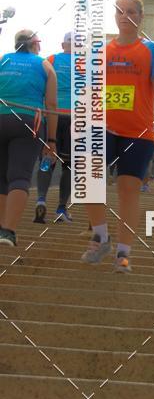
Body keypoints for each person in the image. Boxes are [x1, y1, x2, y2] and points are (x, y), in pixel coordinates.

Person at [81, 0, 154, 272]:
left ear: (140, 17)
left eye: (131, 11)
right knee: (89, 180)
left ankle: (123, 253)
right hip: (102, 127)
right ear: (115, 16)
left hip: (138, 132)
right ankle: (100, 236)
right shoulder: (100, 50)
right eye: (120, 11)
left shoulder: (152, 50)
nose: (125, 16)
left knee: (128, 190)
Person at [0, 29, 58, 247]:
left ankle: (0, 227)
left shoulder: (2, 60)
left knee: (1, 178)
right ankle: (8, 231)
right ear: (35, 45)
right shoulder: (44, 65)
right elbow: (51, 106)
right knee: (19, 177)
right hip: (27, 120)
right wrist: (51, 141)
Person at [33, 32, 73, 224]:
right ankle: (61, 208)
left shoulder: (51, 59)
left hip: (53, 114)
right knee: (70, 165)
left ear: (63, 44)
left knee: (48, 158)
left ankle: (41, 198)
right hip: (76, 117)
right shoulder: (88, 64)